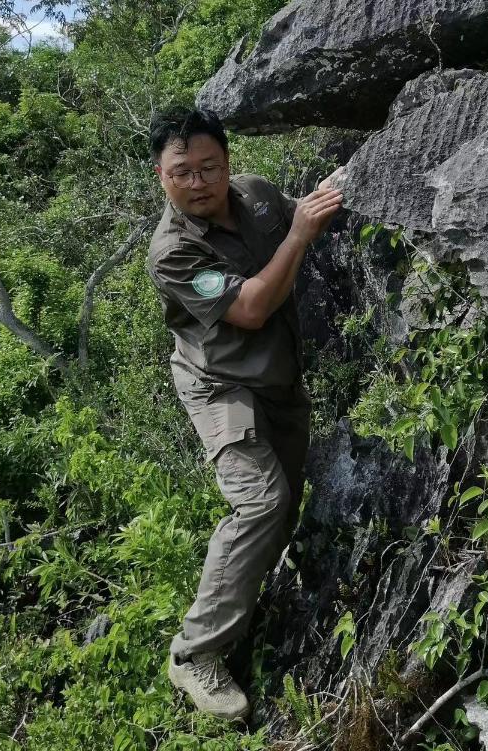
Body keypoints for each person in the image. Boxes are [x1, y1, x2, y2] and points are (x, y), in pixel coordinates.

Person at [145, 106, 344, 720]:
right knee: (261, 501)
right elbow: (253, 307)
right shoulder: (172, 252)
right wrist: (299, 236)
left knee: (282, 512)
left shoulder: (257, 196)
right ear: (162, 176)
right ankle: (194, 655)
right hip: (220, 386)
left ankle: (243, 610)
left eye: (208, 167)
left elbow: (306, 212)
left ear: (228, 163)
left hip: (278, 379)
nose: (198, 182)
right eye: (183, 172)